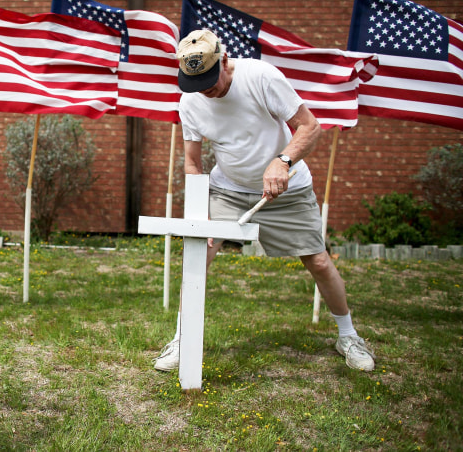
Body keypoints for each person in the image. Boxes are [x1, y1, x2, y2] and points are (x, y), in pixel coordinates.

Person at [153, 29, 375, 373]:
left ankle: (348, 335)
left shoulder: (261, 76)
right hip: (227, 190)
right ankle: (183, 340)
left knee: (317, 261)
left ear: (225, 60)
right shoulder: (191, 101)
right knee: (197, 255)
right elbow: (194, 163)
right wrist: (196, 214)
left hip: (288, 190)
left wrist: (282, 161)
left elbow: (309, 127)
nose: (206, 91)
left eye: (211, 80)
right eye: (197, 83)